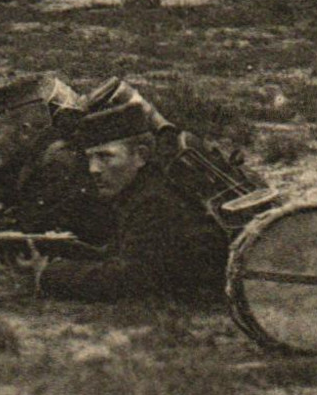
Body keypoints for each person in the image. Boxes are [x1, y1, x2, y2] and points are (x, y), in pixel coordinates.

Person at [19, 98, 231, 303]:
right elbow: (124, 254)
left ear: (140, 156)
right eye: (90, 158)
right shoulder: (144, 187)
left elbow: (129, 279)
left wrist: (51, 275)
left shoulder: (155, 201)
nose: (93, 169)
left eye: (105, 157)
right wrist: (62, 252)